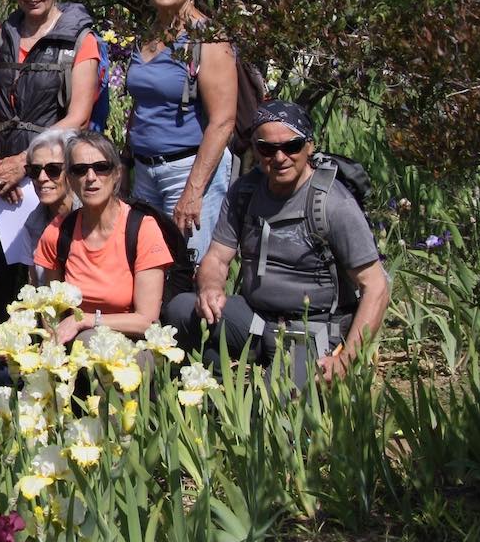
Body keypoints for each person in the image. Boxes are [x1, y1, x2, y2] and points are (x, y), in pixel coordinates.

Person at [163, 101, 390, 387]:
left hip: (313, 329)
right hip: (255, 319)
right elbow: (217, 259)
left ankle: (280, 389)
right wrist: (210, 287)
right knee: (182, 309)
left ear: (309, 146)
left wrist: (347, 358)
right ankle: (209, 389)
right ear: (256, 150)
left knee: (269, 414)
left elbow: (377, 287)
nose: (280, 157)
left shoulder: (333, 203)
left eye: (291, 146)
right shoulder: (245, 192)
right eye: (267, 149)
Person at [0, 0, 101, 342]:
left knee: (48, 279)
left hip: (50, 175)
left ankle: (52, 370)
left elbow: (78, 116)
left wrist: (25, 162)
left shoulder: (81, 41)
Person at [125, 0, 236, 264]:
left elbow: (223, 121)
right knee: (147, 267)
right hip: (144, 171)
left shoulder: (210, 40)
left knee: (191, 269)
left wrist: (193, 191)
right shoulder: (148, 36)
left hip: (188, 169)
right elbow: (142, 103)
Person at [35, 132, 175, 345]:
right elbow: (51, 310)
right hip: (75, 342)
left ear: (117, 173)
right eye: (80, 170)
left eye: (101, 167)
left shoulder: (142, 229)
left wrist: (86, 321)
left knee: (91, 339)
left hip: (132, 341)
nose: (91, 177)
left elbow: (147, 320)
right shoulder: (58, 232)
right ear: (70, 179)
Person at [21, 128, 77, 283]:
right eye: (35, 170)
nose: (41, 177)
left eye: (53, 169)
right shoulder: (32, 224)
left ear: (72, 171)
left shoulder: (91, 220)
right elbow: (34, 287)